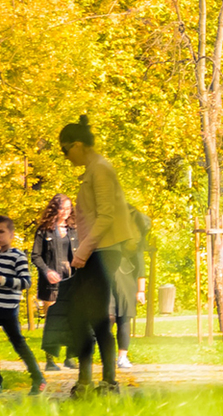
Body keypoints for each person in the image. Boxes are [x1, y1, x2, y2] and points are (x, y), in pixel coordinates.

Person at [59, 115, 136, 398]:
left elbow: (105, 218)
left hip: (104, 251)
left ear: (78, 145)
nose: (66, 157)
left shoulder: (101, 169)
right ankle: (87, 381)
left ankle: (107, 383)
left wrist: (81, 251)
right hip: (96, 251)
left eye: (65, 150)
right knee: (80, 316)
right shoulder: (93, 169)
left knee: (97, 316)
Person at [32, 193, 78, 371]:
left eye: (69, 208)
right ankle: (50, 360)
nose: (66, 212)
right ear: (55, 209)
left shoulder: (74, 229)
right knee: (53, 320)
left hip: (72, 280)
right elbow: (35, 256)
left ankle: (70, 357)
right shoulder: (44, 230)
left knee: (73, 318)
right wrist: (47, 271)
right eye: (63, 208)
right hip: (51, 282)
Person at [0, 215, 46, 395]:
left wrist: (4, 280)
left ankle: (38, 378)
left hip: (8, 308)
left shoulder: (17, 256)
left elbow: (26, 282)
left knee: (18, 342)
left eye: (1, 232)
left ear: (11, 235)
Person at [110, 206, 150, 368]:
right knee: (108, 318)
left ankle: (122, 356)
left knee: (123, 319)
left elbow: (141, 267)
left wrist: (141, 290)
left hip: (127, 283)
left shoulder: (134, 245)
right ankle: (110, 356)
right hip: (111, 281)